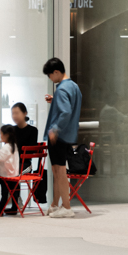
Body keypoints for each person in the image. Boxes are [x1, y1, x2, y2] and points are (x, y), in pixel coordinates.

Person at [42, 58, 82, 217]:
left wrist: (55, 129)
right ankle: (55, 204)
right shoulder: (74, 87)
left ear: (56, 72)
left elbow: (65, 112)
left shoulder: (62, 89)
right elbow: (70, 107)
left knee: (59, 171)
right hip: (69, 134)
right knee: (58, 170)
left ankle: (66, 207)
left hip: (59, 135)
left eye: (50, 75)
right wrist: (55, 101)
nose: (50, 79)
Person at [0, 124, 21, 216]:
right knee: (14, 192)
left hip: (6, 174)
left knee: (4, 193)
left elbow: (0, 158)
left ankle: (0, 210)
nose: (0, 136)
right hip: (15, 174)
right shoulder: (14, 145)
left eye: (1, 134)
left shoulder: (6, 147)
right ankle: (14, 208)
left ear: (7, 135)